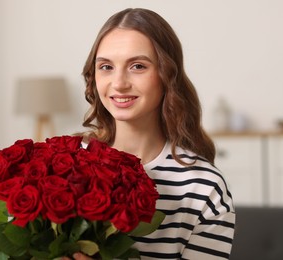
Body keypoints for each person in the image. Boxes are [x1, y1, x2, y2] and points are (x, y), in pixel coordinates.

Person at [67, 7, 235, 260]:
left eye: (137, 66)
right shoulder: (63, 165)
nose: (119, 83)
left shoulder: (205, 187)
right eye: (106, 67)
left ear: (167, 74)